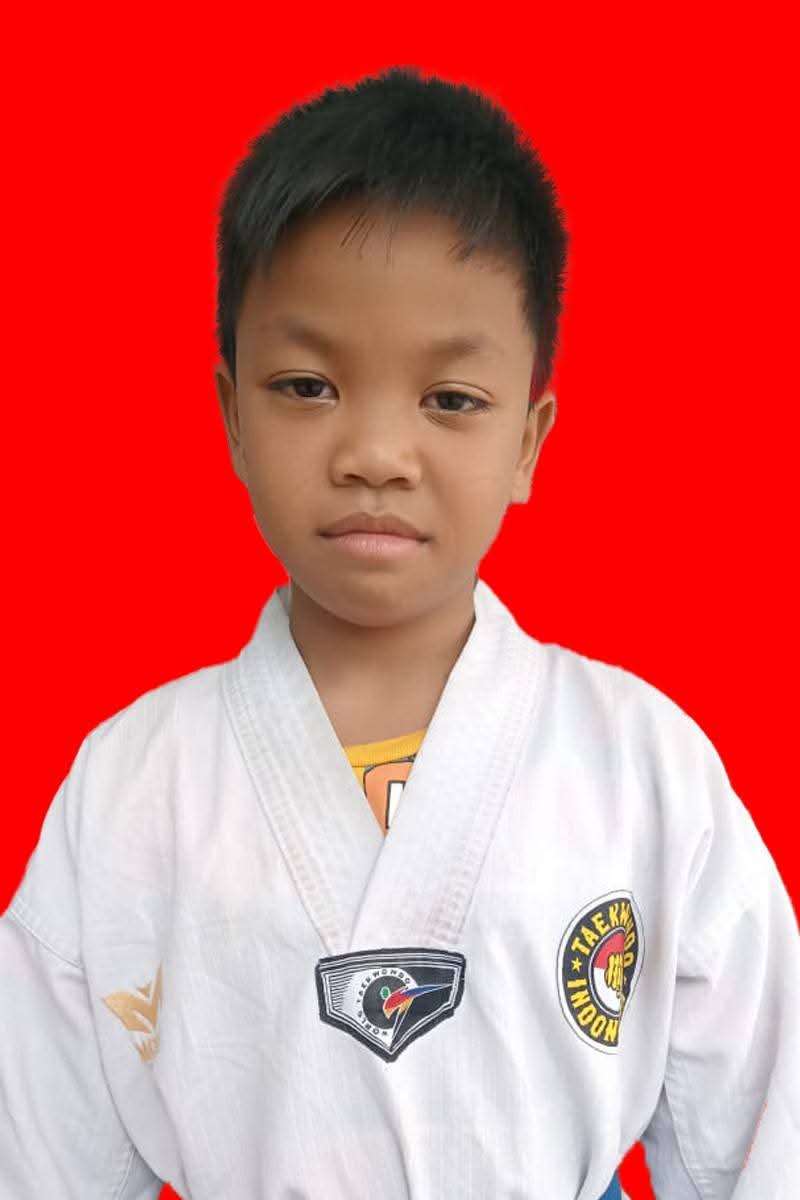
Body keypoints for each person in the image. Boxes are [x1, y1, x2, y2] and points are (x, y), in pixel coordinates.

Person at [1, 65, 796, 1200]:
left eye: (450, 400)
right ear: (231, 417)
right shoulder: (131, 786)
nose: (375, 452)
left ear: (528, 440)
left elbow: (765, 1141)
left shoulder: (642, 767)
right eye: (306, 386)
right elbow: (40, 1160)